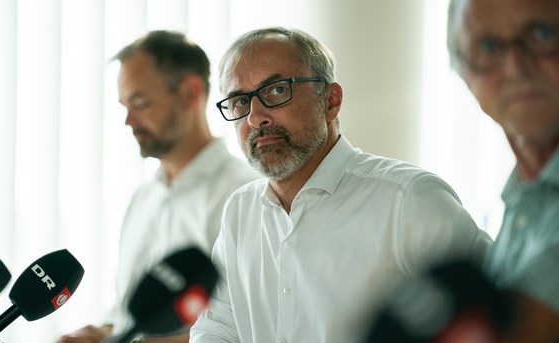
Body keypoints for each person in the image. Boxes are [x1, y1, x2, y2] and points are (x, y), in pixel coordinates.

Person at [189, 27, 493, 342]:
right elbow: (217, 327)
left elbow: (499, 315)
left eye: (277, 90)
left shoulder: (410, 199)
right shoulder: (240, 211)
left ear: (331, 102)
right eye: (240, 101)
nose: (255, 117)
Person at [57, 31, 259, 343]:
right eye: (124, 104)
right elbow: (129, 314)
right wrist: (105, 333)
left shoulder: (246, 195)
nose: (128, 120)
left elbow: (246, 323)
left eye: (139, 102)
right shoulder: (143, 197)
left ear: (191, 93)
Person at [447, 0, 559, 341]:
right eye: (488, 47)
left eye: (542, 33)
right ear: (464, 74)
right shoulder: (521, 201)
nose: (515, 67)